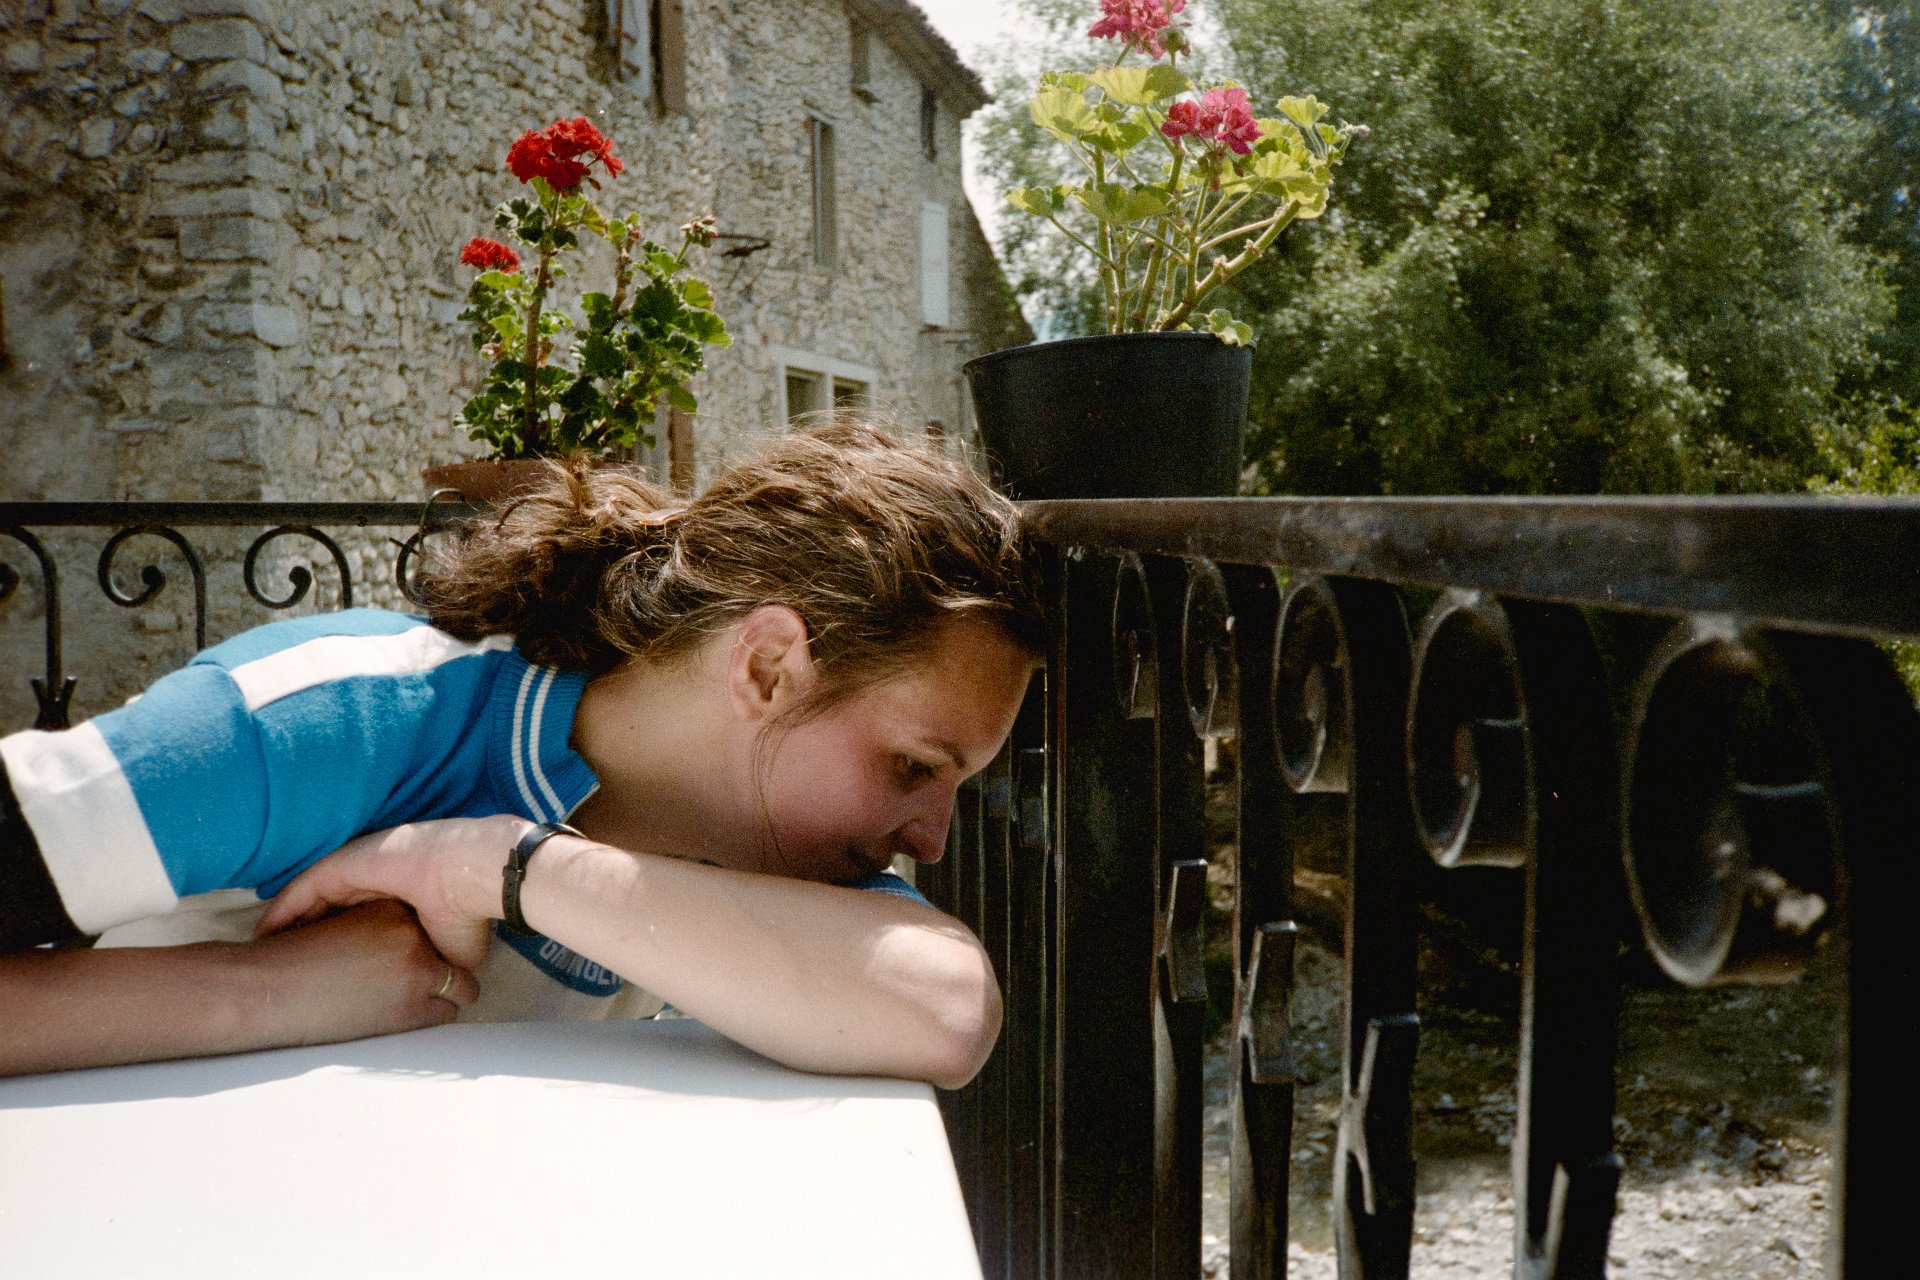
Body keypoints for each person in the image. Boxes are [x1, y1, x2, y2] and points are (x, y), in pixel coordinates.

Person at [0, 419, 1043, 1083]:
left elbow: (946, 1011)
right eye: (914, 766)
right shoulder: (331, 718)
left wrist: (494, 864)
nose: (931, 839)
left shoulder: (779, 846)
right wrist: (263, 991)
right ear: (769, 666)